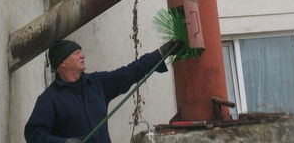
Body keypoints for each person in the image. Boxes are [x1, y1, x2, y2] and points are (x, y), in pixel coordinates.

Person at [24, 39, 179, 143]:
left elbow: (129, 72)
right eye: (76, 53)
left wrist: (160, 53)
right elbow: (33, 133)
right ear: (62, 63)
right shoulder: (50, 99)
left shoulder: (97, 83)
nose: (82, 55)